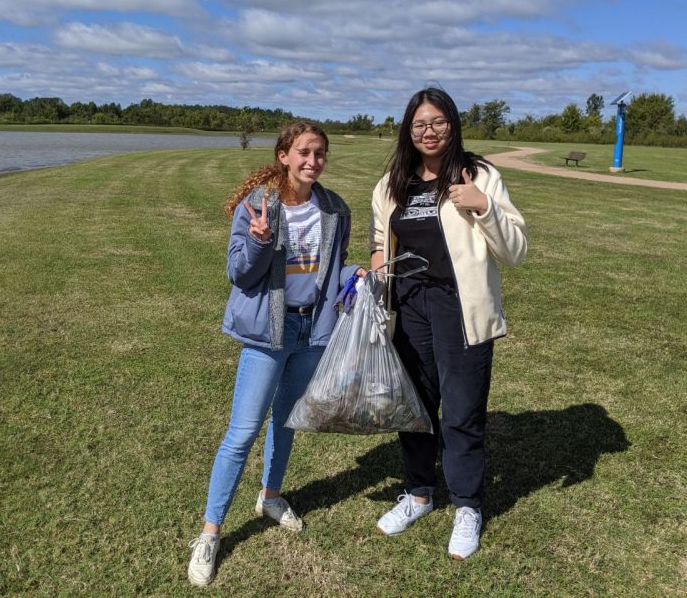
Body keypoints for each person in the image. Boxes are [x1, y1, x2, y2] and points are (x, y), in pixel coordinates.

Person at [188, 121, 364, 587]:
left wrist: (354, 272)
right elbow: (239, 274)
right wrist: (261, 241)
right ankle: (210, 532)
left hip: (312, 330)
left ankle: (270, 495)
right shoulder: (256, 206)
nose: (313, 161)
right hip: (270, 331)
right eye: (304, 152)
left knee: (287, 421)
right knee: (242, 432)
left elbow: (328, 269)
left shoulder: (335, 209)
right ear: (283, 155)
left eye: (320, 153)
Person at [369, 87, 528, 559]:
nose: (428, 131)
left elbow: (516, 250)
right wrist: (375, 276)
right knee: (414, 405)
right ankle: (419, 493)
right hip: (409, 306)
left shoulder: (478, 174)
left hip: (460, 306)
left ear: (453, 124)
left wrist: (482, 205)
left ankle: (467, 506)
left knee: (461, 411)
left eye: (437, 122)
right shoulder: (393, 182)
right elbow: (382, 239)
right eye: (419, 124)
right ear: (408, 130)